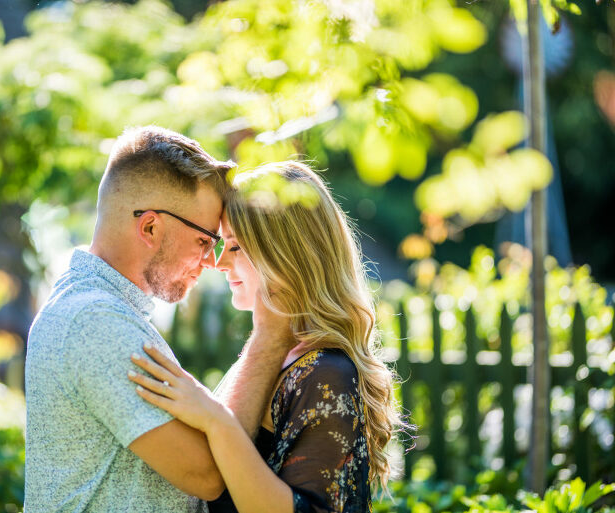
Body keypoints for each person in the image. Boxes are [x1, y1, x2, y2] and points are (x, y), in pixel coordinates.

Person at [24, 127, 297, 513]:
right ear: (150, 227)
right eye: (205, 240)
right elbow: (207, 475)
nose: (212, 261)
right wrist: (268, 340)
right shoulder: (94, 323)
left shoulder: (97, 309)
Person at [127, 161, 405, 513]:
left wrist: (215, 419)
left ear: (286, 254)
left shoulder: (326, 373)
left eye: (236, 246)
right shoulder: (281, 359)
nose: (218, 262)